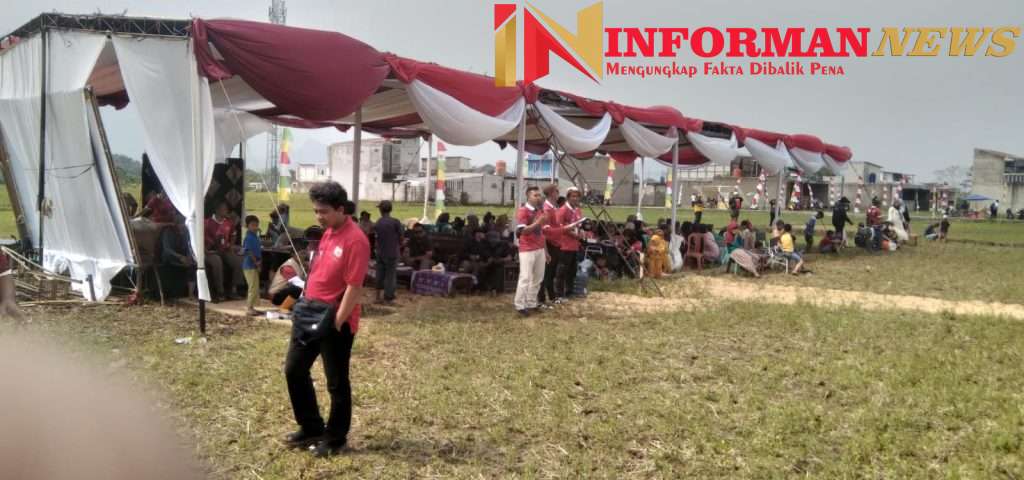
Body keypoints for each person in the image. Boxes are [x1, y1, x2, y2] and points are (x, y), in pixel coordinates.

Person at [284, 181, 369, 458]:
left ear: (340, 209)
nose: (318, 216)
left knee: (336, 383)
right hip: (308, 312)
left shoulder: (356, 240)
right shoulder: (328, 232)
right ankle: (311, 427)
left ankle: (335, 438)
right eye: (316, 211)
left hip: (334, 319)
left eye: (323, 211)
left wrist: (338, 320)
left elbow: (354, 287)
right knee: (294, 370)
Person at [514, 186, 549, 316]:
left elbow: (542, 233)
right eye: (535, 195)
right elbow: (523, 231)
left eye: (539, 195)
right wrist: (538, 222)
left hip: (539, 248)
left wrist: (546, 251)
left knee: (538, 278)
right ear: (528, 197)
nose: (538, 197)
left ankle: (531, 302)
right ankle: (519, 305)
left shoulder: (540, 211)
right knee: (525, 277)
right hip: (527, 249)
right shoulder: (523, 211)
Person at [204, 203, 243, 302]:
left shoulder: (229, 222)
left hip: (224, 250)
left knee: (238, 262)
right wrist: (205, 250)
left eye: (226, 209)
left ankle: (233, 290)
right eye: (223, 209)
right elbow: (200, 237)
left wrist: (231, 245)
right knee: (217, 262)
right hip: (210, 251)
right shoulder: (207, 222)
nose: (226, 211)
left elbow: (234, 234)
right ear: (217, 210)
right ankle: (220, 292)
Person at [159, 213, 197, 298]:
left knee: (192, 265)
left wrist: (188, 256)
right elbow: (167, 249)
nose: (182, 225)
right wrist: (179, 257)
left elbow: (189, 246)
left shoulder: (186, 232)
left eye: (183, 223)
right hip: (170, 257)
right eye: (180, 223)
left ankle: (191, 293)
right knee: (170, 258)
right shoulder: (168, 232)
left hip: (182, 256)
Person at [555, 187, 583, 300]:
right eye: (573, 196)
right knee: (562, 270)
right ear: (568, 197)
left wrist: (581, 232)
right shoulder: (562, 210)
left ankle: (569, 291)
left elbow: (579, 224)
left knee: (572, 270)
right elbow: (559, 227)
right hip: (564, 245)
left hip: (575, 245)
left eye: (577, 196)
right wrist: (573, 234)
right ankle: (559, 293)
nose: (575, 198)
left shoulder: (577, 210)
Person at [373, 201, 402, 304]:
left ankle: (377, 297)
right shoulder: (395, 222)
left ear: (381, 210)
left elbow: (376, 237)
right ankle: (388, 298)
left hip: (380, 252)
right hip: (392, 252)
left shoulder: (378, 222)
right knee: (390, 275)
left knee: (379, 274)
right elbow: (401, 237)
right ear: (390, 210)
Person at [538, 184, 562, 306]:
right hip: (549, 243)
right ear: (552, 193)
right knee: (545, 273)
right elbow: (546, 230)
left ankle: (552, 296)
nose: (558, 193)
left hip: (556, 243)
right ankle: (541, 298)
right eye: (557, 191)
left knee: (551, 273)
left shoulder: (554, 207)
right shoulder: (547, 208)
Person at [241, 215, 263, 316]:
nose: (255, 227)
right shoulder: (249, 237)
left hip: (254, 265)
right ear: (247, 226)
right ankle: (249, 307)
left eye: (256, 225)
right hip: (249, 265)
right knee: (252, 287)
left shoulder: (255, 236)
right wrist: (256, 263)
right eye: (252, 225)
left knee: (255, 287)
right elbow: (249, 252)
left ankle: (252, 307)